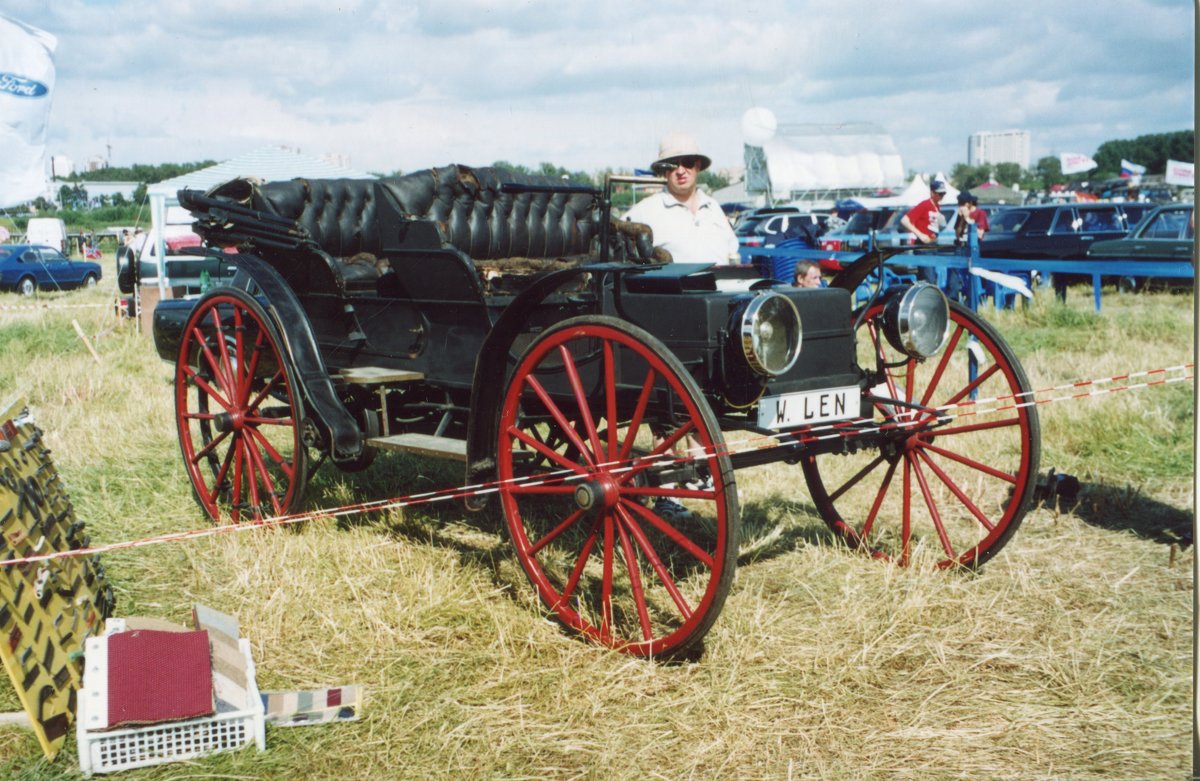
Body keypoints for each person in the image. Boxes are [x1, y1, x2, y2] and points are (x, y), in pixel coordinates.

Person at [624, 133, 740, 265]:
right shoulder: (645, 210)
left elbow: (733, 253)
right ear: (664, 170)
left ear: (697, 165)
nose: (680, 171)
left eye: (687, 163)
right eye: (673, 165)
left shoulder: (713, 207)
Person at [900, 176, 948, 283]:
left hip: (933, 246)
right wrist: (920, 235)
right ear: (932, 193)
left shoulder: (937, 207)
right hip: (923, 248)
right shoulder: (924, 205)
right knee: (928, 279)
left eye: (943, 193)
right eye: (940, 194)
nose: (942, 196)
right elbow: (904, 220)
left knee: (933, 279)